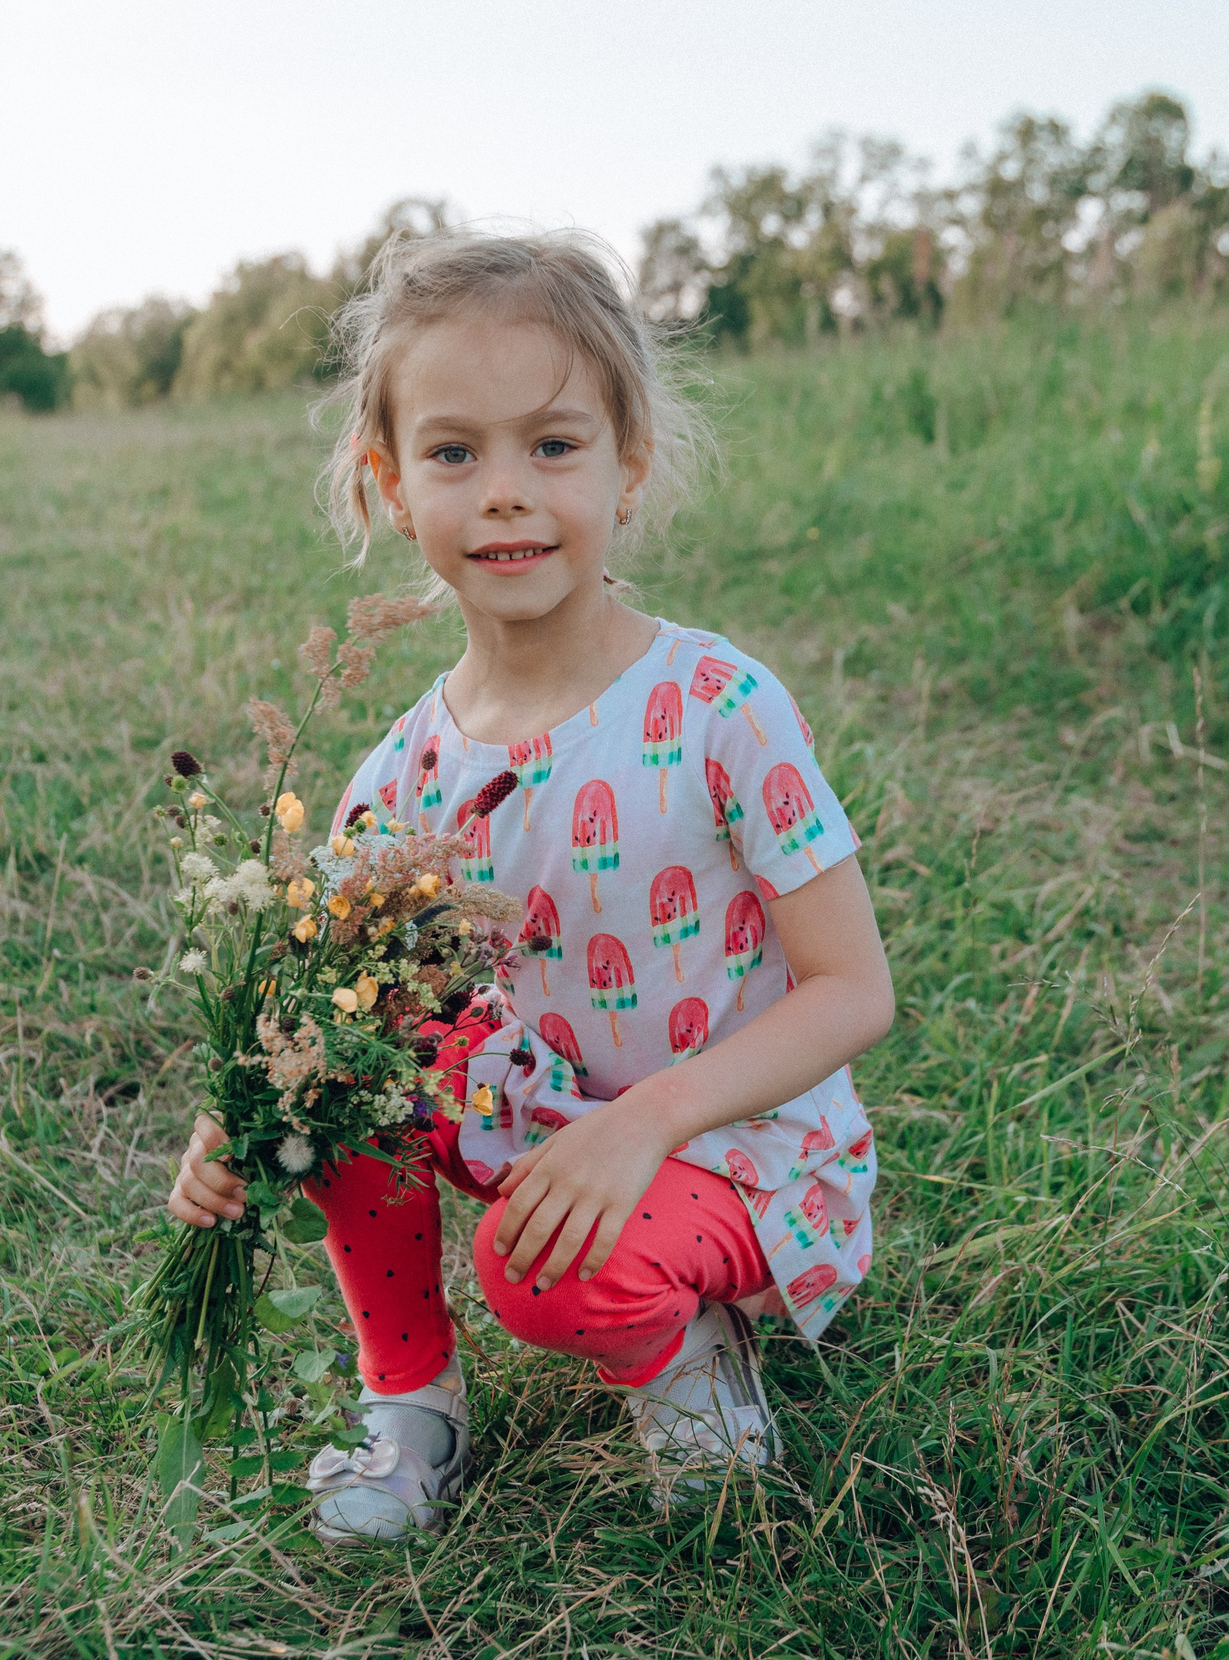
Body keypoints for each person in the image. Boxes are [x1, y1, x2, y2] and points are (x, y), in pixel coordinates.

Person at [166, 228, 893, 1542]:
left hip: (732, 1147)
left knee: (538, 1271)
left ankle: (689, 1362)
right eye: (454, 453)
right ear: (391, 485)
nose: (504, 492)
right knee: (331, 1076)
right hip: (528, 1119)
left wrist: (645, 1124)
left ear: (630, 462)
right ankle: (414, 1413)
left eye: (552, 445)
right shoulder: (401, 775)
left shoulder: (717, 705)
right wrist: (243, 1105)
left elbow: (854, 991)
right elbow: (340, 1014)